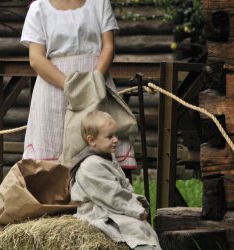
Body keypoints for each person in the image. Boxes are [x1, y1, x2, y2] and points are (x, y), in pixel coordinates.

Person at [20, 0, 137, 170]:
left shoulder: (100, 3)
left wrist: (93, 82)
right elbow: (36, 58)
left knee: (101, 144)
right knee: (53, 160)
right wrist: (71, 86)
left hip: (96, 87)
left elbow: (109, 47)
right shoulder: (39, 8)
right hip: (54, 91)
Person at [70, 110, 161, 250]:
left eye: (116, 135)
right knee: (135, 229)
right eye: (109, 136)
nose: (116, 140)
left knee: (145, 228)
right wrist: (135, 209)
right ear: (91, 140)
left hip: (111, 206)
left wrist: (136, 201)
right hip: (98, 211)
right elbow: (111, 194)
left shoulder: (107, 157)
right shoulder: (90, 165)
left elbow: (123, 184)